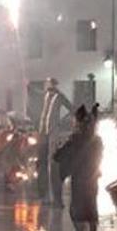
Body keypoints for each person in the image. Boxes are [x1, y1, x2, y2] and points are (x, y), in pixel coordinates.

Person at [54, 104, 103, 231]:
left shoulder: (75, 139)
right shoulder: (97, 140)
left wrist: (58, 150)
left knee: (77, 213)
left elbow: (59, 155)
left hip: (80, 180)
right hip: (93, 179)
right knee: (91, 212)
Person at [37, 78, 72, 207]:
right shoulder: (46, 95)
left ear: (53, 84)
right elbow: (37, 93)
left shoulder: (59, 96)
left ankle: (57, 200)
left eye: (48, 83)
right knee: (42, 164)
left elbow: (71, 107)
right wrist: (28, 86)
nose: (46, 85)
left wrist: (61, 122)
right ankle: (44, 196)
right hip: (43, 133)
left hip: (53, 133)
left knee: (53, 165)